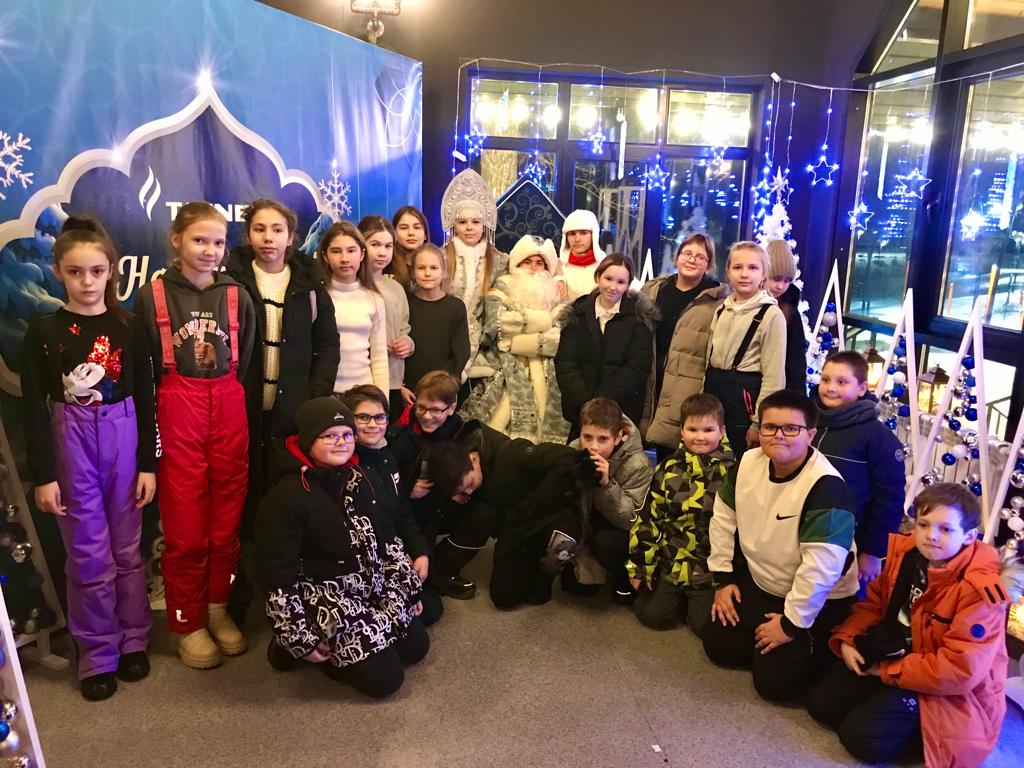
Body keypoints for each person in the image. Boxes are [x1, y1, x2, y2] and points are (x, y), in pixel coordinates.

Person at [21, 218, 156, 700]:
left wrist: (148, 464)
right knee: (87, 553)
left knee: (127, 550)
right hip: (71, 444)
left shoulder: (129, 327)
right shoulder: (44, 330)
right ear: (59, 271)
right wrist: (44, 475)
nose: (87, 281)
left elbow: (147, 396)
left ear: (110, 271)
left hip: (124, 439)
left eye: (96, 271)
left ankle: (133, 638)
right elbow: (33, 407)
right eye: (75, 272)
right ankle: (97, 652)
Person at [807, 483, 1009, 767]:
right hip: (894, 653)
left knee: (862, 739)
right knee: (821, 705)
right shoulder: (906, 554)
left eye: (945, 529)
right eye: (923, 524)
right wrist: (848, 639)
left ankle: (922, 734)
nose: (931, 535)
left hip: (941, 683)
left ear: (969, 536)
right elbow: (873, 606)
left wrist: (885, 671)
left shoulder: (979, 592)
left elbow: (960, 670)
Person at [134, 202, 256, 668]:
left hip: (228, 411)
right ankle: (186, 621)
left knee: (226, 525)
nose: (209, 250)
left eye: (218, 242)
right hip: (177, 413)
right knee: (186, 531)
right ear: (176, 240)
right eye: (199, 240)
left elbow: (243, 362)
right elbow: (145, 370)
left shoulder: (237, 295)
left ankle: (217, 609)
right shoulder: (153, 296)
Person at [256, 399, 428, 698]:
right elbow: (276, 576)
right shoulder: (286, 497)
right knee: (386, 680)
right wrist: (299, 636)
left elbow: (388, 540)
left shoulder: (361, 477)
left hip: (371, 586)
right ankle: (295, 648)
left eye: (347, 434)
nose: (341, 442)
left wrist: (408, 589)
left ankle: (357, 641)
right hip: (326, 597)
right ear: (308, 441)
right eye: (330, 435)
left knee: (416, 648)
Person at [702, 390, 859, 702]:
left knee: (775, 685)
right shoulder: (748, 463)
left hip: (820, 598)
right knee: (719, 646)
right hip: (764, 582)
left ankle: (820, 642)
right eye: (770, 427)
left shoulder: (827, 488)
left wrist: (791, 625)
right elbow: (722, 519)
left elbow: (820, 571)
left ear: (810, 434)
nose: (778, 436)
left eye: (791, 428)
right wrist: (723, 579)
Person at [224, 199, 339, 625]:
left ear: (291, 237)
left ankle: (295, 593)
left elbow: (327, 346)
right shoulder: (231, 282)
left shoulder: (310, 285)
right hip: (243, 414)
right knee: (243, 502)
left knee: (289, 499)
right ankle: (241, 594)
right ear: (248, 234)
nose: (268, 238)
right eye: (259, 229)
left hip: (292, 415)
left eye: (277, 230)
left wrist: (313, 399)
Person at [423, 424, 600, 610]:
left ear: (474, 459)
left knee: (548, 570)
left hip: (548, 517)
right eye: (462, 491)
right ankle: (532, 561)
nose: (469, 492)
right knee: (504, 597)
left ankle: (546, 573)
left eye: (470, 484)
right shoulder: (455, 469)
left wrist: (536, 503)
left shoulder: (511, 453)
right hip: (516, 528)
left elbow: (568, 457)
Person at [628, 394, 734, 637]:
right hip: (671, 562)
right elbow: (649, 518)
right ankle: (672, 596)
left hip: (708, 569)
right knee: (652, 616)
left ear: (722, 432)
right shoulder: (667, 469)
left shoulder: (733, 473)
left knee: (706, 627)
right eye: (692, 429)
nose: (700, 437)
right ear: (682, 431)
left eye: (708, 430)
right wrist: (642, 564)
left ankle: (694, 602)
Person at [389, 371, 502, 600]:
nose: (426, 416)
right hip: (410, 512)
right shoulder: (399, 436)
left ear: (451, 408)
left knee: (485, 513)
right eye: (421, 407)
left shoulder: (463, 433)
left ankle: (445, 567)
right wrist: (408, 490)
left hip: (442, 505)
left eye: (435, 410)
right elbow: (383, 486)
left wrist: (458, 492)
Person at [338, 385, 443, 627]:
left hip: (390, 551)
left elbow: (402, 513)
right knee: (410, 628)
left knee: (431, 606)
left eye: (380, 417)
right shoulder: (344, 467)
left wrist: (419, 552)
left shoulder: (387, 457)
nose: (373, 424)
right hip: (361, 566)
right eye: (363, 417)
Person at [461, 234, 570, 443]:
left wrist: (516, 342)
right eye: (527, 261)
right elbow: (497, 325)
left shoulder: (557, 292)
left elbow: (558, 337)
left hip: (546, 368)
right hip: (505, 365)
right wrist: (544, 322)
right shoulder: (502, 286)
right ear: (517, 263)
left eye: (539, 263)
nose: (533, 268)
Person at [812, 352, 906, 587]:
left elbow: (890, 498)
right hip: (805, 528)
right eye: (825, 379)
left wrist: (874, 551)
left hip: (849, 540)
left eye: (842, 382)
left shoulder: (878, 437)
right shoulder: (807, 421)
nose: (830, 388)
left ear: (862, 388)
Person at [640, 232, 728, 461]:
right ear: (677, 257)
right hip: (650, 380)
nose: (692, 259)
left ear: (709, 264)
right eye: (687, 253)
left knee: (676, 457)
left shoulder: (716, 300)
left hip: (686, 388)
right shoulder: (653, 290)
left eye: (700, 256)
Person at [555, 253, 657, 434]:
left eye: (621, 282)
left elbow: (637, 366)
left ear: (628, 285)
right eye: (608, 279)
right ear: (598, 277)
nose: (613, 287)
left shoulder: (639, 318)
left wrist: (601, 403)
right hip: (581, 411)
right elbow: (565, 362)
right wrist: (585, 403)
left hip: (621, 411)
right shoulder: (577, 313)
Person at [703, 241, 786, 460]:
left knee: (740, 461)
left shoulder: (771, 314)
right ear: (728, 272)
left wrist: (760, 423)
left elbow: (774, 376)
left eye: (753, 268)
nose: (744, 274)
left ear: (764, 274)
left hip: (744, 399)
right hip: (714, 392)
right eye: (737, 267)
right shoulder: (721, 309)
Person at [566, 398, 653, 604]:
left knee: (605, 545)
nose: (593, 447)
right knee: (576, 588)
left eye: (603, 439)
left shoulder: (638, 464)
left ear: (619, 436)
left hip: (618, 532)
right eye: (587, 437)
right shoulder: (574, 450)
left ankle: (623, 573)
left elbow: (631, 521)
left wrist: (606, 484)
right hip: (587, 524)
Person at [439, 169, 509, 383]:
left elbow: (530, 265)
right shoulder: (441, 256)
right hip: (442, 332)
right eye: (462, 222)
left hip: (480, 339)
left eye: (476, 222)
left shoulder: (499, 261)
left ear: (484, 224)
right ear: (454, 225)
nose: (469, 228)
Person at [319, 221, 389, 395]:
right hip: (326, 392)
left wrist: (382, 402)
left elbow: (379, 356)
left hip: (363, 393)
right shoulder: (317, 297)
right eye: (336, 251)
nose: (344, 259)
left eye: (351, 251)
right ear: (325, 256)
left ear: (362, 254)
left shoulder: (374, 299)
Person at [358, 215, 415, 420]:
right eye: (375, 245)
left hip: (392, 380)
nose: (382, 252)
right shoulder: (352, 287)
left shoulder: (395, 288)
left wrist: (407, 344)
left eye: (388, 246)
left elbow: (404, 328)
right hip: (361, 379)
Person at [404, 244, 471, 402]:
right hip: (409, 388)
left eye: (434, 268)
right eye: (421, 268)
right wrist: (400, 385)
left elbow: (461, 353)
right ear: (413, 272)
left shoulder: (455, 307)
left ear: (444, 272)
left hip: (442, 389)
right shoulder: (405, 303)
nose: (427, 273)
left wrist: (442, 384)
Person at [765, 239, 808, 394]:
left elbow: (796, 362)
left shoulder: (790, 313)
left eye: (787, 281)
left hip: (778, 390)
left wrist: (796, 399)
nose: (780, 286)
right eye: (776, 278)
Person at [558, 209, 607, 301]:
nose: (577, 239)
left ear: (593, 235)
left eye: (583, 233)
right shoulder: (558, 265)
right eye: (572, 234)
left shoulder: (606, 264)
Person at [391, 205, 429, 290]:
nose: (411, 233)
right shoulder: (386, 264)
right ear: (394, 233)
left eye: (417, 227)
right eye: (404, 228)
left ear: (425, 235)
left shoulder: (435, 264)